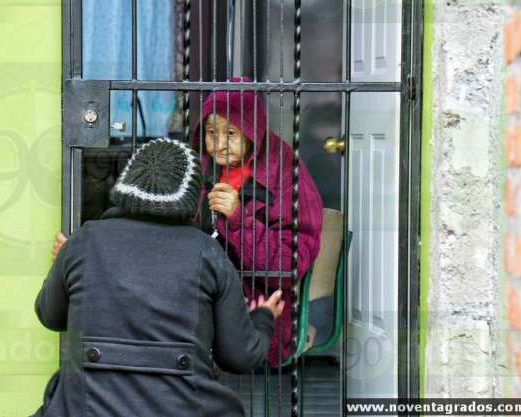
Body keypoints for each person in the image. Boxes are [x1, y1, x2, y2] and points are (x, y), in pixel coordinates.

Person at [32, 138, 284, 417]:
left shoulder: (84, 242)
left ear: (127, 186)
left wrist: (64, 261)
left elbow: (50, 315)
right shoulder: (207, 252)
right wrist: (263, 317)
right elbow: (239, 356)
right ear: (191, 201)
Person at [191, 76, 324, 367]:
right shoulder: (200, 169)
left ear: (253, 132)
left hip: (259, 307)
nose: (220, 144)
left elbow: (288, 267)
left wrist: (239, 219)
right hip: (201, 302)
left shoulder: (285, 173)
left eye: (231, 134)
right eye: (212, 133)